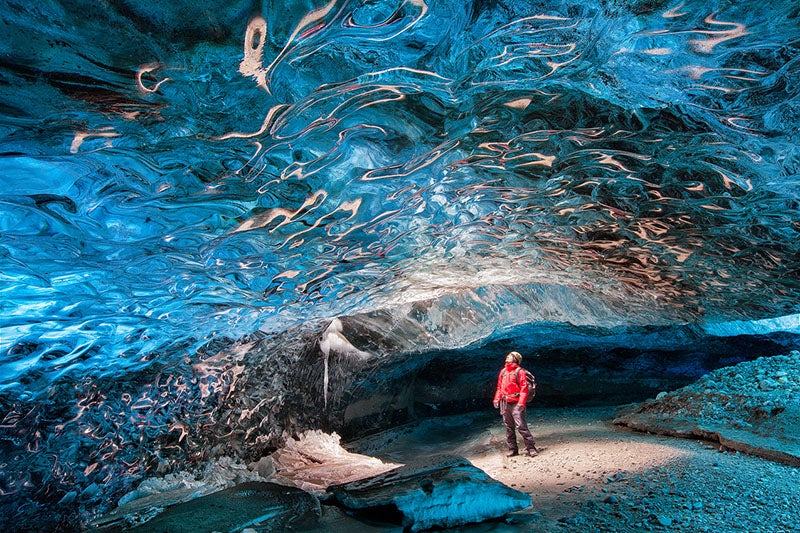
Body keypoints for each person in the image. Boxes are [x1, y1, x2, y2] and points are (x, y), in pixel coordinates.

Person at [493, 351, 539, 457]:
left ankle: (531, 448)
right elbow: (499, 387)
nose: (507, 357)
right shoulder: (503, 372)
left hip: (516, 402)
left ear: (515, 359)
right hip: (505, 402)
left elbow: (524, 389)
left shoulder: (520, 371)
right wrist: (496, 399)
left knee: (521, 426)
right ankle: (512, 449)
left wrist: (521, 403)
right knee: (509, 427)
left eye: (510, 356)